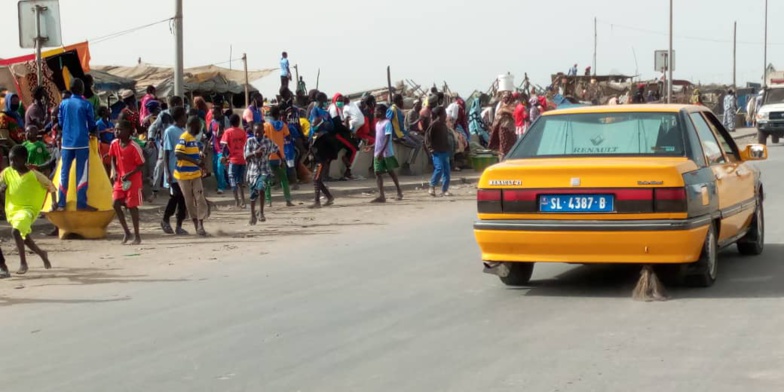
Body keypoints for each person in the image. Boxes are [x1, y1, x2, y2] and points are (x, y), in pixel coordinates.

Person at [0, 145, 56, 277]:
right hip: (13, 211)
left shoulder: (34, 175)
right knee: (24, 237)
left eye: (15, 160)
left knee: (16, 231)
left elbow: (50, 185)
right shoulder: (7, 173)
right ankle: (42, 253)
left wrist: (53, 201)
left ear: (24, 159)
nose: (12, 163)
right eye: (10, 160)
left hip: (28, 210)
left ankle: (23, 263)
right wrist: (1, 189)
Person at [57, 78, 97, 211]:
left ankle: (61, 203)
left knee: (64, 173)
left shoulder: (64, 103)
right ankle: (81, 204)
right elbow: (91, 124)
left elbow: (61, 123)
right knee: (81, 174)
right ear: (82, 89)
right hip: (81, 143)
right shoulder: (86, 104)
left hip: (66, 143)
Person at [108, 120, 145, 245]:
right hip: (120, 179)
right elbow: (112, 157)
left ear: (128, 131)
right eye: (116, 129)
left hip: (133, 180)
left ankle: (137, 235)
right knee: (115, 203)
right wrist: (114, 171)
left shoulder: (134, 146)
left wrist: (129, 174)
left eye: (120, 129)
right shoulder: (114, 144)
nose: (117, 132)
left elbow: (141, 165)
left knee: (132, 206)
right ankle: (126, 231)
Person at [175, 115, 209, 237]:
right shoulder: (184, 137)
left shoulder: (193, 139)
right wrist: (196, 162)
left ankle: (200, 224)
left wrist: (200, 156)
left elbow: (195, 153)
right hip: (183, 175)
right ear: (194, 126)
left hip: (195, 174)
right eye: (199, 126)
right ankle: (197, 225)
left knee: (200, 199)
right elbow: (178, 153)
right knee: (189, 201)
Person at [161, 106, 189, 235]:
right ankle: (165, 219)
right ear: (179, 117)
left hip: (184, 170)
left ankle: (179, 225)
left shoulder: (184, 131)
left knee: (183, 198)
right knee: (175, 195)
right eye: (184, 116)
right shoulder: (169, 131)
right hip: (174, 170)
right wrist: (167, 172)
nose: (186, 118)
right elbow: (166, 152)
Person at [245, 123, 280, 225]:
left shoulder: (267, 141)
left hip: (264, 170)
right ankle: (252, 214)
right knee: (253, 194)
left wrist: (282, 159)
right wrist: (255, 153)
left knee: (261, 188)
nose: (257, 135)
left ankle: (261, 212)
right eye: (256, 133)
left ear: (263, 132)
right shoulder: (250, 141)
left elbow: (276, 149)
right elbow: (246, 157)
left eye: (259, 133)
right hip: (252, 172)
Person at [149, 95, 183, 195]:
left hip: (179, 145)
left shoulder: (183, 114)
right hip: (166, 144)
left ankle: (174, 190)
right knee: (160, 164)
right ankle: (155, 189)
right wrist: (151, 138)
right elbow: (153, 127)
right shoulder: (164, 115)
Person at [308, 92, 336, 208]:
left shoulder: (325, 114)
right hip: (318, 153)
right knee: (317, 178)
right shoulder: (315, 111)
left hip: (321, 156)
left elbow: (332, 126)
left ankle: (317, 201)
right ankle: (328, 197)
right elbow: (314, 125)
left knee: (316, 178)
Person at [371, 104, 403, 203]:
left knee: (390, 172)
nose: (374, 113)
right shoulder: (377, 124)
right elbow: (378, 139)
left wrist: (381, 151)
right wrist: (372, 146)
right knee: (377, 172)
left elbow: (387, 138)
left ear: (381, 112)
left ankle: (399, 191)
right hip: (378, 152)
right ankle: (381, 196)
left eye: (376, 111)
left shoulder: (387, 123)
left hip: (386, 152)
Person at [263, 106, 294, 207]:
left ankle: (268, 202)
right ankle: (288, 200)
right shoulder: (283, 125)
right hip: (280, 156)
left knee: (267, 180)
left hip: (268, 156)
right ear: (278, 115)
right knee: (284, 179)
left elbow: (263, 137)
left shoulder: (266, 125)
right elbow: (288, 136)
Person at [389, 94, 423, 175]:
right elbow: (387, 122)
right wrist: (391, 136)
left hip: (404, 132)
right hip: (399, 135)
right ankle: (406, 165)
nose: (403, 102)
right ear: (398, 101)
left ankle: (408, 164)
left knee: (420, 143)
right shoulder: (392, 109)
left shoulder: (398, 109)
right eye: (401, 100)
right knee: (416, 146)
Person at [221, 114, 248, 208]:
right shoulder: (242, 132)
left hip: (233, 159)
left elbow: (224, 146)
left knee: (232, 179)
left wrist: (224, 157)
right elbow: (246, 145)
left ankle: (236, 201)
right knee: (240, 181)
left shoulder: (227, 132)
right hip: (242, 159)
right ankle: (243, 201)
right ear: (238, 122)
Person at [424, 107, 452, 197]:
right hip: (436, 152)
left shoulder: (444, 125)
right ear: (441, 115)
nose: (446, 115)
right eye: (444, 113)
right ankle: (432, 186)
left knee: (446, 171)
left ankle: (445, 189)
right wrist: (430, 149)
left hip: (445, 151)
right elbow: (427, 138)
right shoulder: (434, 125)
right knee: (439, 169)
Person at [207, 105, 229, 194]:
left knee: (220, 168)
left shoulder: (224, 121)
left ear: (220, 112)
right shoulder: (212, 122)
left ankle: (221, 187)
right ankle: (223, 183)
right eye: (212, 114)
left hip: (222, 149)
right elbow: (212, 135)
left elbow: (228, 134)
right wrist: (209, 141)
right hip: (215, 149)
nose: (214, 115)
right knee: (215, 169)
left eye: (215, 113)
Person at [488, 92, 517, 158]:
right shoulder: (500, 105)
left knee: (512, 145)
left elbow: (515, 113)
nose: (505, 99)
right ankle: (502, 159)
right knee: (503, 145)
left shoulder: (513, 105)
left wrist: (506, 110)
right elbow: (498, 114)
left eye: (506, 98)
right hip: (502, 128)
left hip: (511, 129)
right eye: (504, 98)